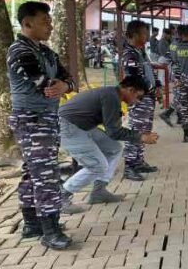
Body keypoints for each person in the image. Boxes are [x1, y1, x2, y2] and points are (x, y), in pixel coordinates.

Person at [7, 1, 77, 250]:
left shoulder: (46, 52)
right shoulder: (20, 51)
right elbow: (43, 84)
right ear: (27, 23)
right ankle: (50, 229)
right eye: (44, 21)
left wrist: (65, 86)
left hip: (45, 119)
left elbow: (69, 79)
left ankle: (32, 223)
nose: (50, 25)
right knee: (46, 174)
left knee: (32, 172)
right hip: (31, 120)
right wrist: (60, 85)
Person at [59, 76, 159, 210]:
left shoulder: (112, 94)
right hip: (68, 127)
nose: (137, 101)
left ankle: (99, 191)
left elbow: (113, 130)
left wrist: (139, 136)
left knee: (114, 148)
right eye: (138, 97)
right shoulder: (111, 97)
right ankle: (62, 196)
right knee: (97, 165)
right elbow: (114, 132)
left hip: (82, 126)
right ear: (130, 90)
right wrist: (141, 137)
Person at [121, 20, 162, 181]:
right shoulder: (129, 54)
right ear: (134, 34)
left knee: (145, 130)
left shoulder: (141, 52)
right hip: (139, 99)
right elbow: (134, 78)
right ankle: (129, 166)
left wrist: (157, 86)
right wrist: (152, 90)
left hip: (148, 97)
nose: (146, 36)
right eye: (144, 33)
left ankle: (139, 161)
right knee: (136, 131)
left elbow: (150, 71)